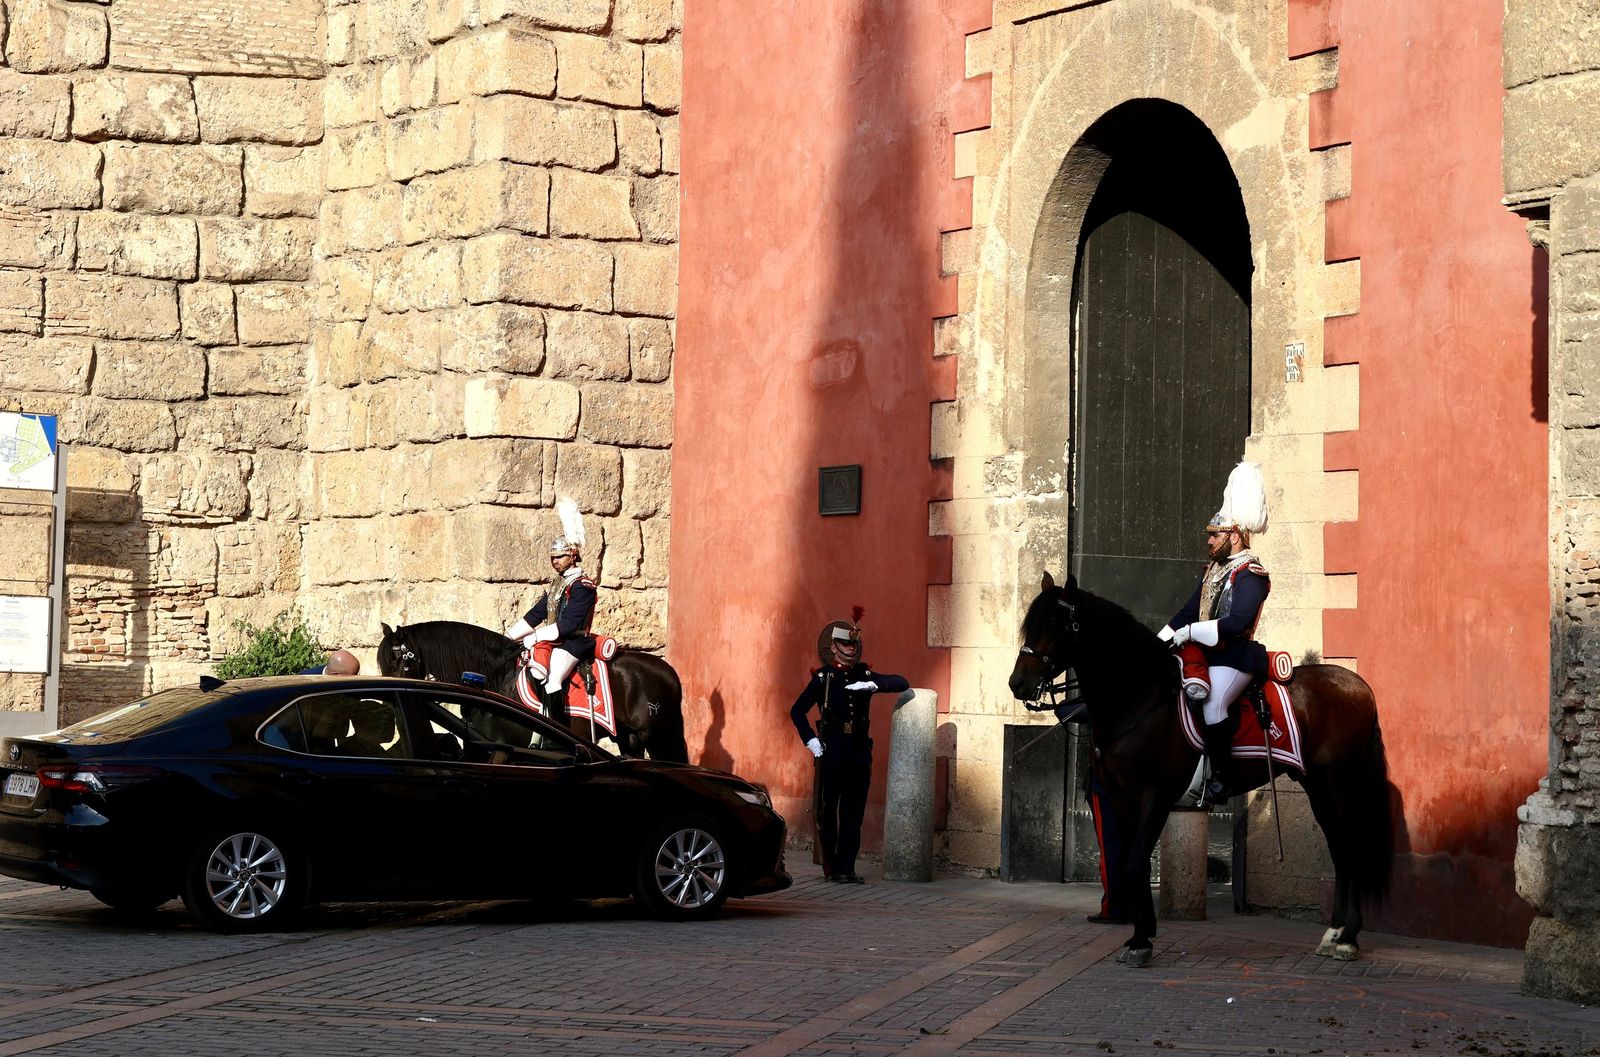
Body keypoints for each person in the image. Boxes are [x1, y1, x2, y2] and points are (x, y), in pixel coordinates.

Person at [1160, 460, 1271, 804]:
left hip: (1235, 658)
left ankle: (1221, 777)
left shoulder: (1251, 573)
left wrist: (1191, 632)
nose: (1209, 540)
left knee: (1212, 705)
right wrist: (1159, 641)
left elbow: (1237, 623)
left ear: (1234, 536)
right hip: (1207, 656)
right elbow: (1187, 612)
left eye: (1215, 535)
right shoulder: (1213, 570)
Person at [789, 608, 910, 884]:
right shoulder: (823, 679)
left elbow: (902, 682)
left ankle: (848, 866)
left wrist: (873, 685)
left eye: (854, 644)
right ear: (834, 646)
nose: (851, 648)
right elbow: (797, 711)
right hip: (831, 752)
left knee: (853, 813)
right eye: (846, 643)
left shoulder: (863, 673)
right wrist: (810, 740)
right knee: (829, 812)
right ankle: (832, 867)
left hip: (857, 753)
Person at [506, 499, 596, 725]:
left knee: (553, 678)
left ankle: (557, 733)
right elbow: (536, 614)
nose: (555, 562)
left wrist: (535, 636)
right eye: (552, 558)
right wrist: (507, 638)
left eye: (560, 557)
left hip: (574, 642)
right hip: (555, 640)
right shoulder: (558, 584)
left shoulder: (582, 586)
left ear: (573, 555)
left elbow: (569, 625)